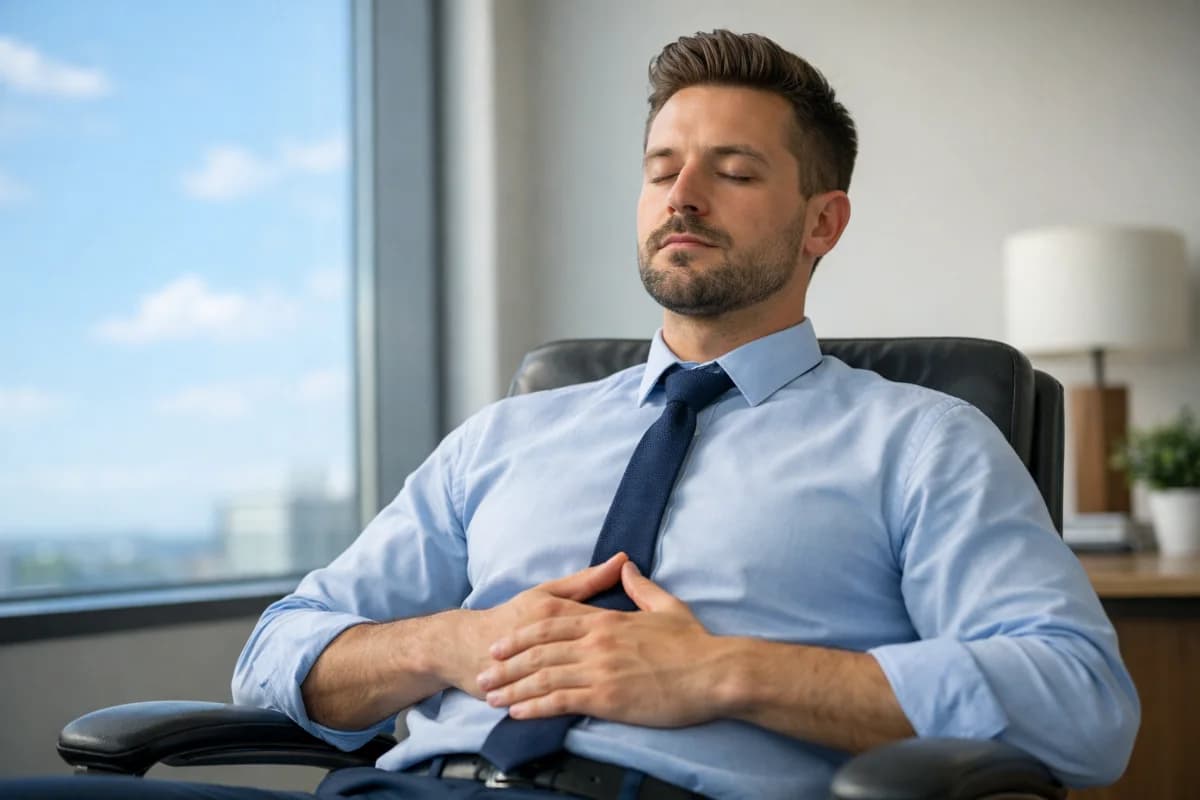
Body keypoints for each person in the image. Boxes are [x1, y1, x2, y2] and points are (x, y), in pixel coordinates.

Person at [6, 28, 1138, 800]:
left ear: (821, 222)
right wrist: (460, 638)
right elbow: (276, 655)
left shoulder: (922, 439)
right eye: (661, 167)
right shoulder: (506, 436)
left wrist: (726, 672)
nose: (681, 195)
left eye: (733, 170)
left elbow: (1083, 705)